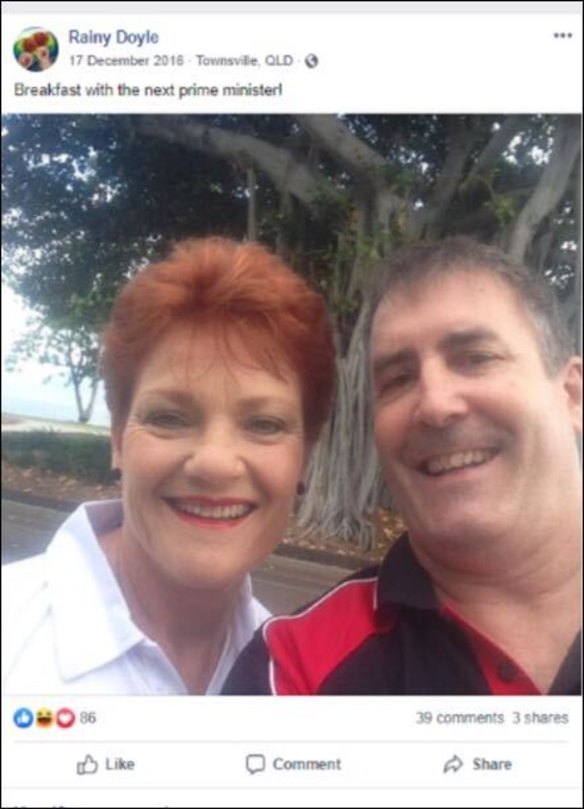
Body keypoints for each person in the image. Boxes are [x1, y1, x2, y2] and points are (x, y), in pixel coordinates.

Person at [223, 237, 582, 695]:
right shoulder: (296, 668)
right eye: (398, 379)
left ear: (571, 395)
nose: (435, 405)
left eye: (476, 358)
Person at [2, 237, 335, 695]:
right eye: (169, 418)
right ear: (117, 437)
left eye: (264, 424)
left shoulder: (293, 677)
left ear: (304, 458)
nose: (215, 463)